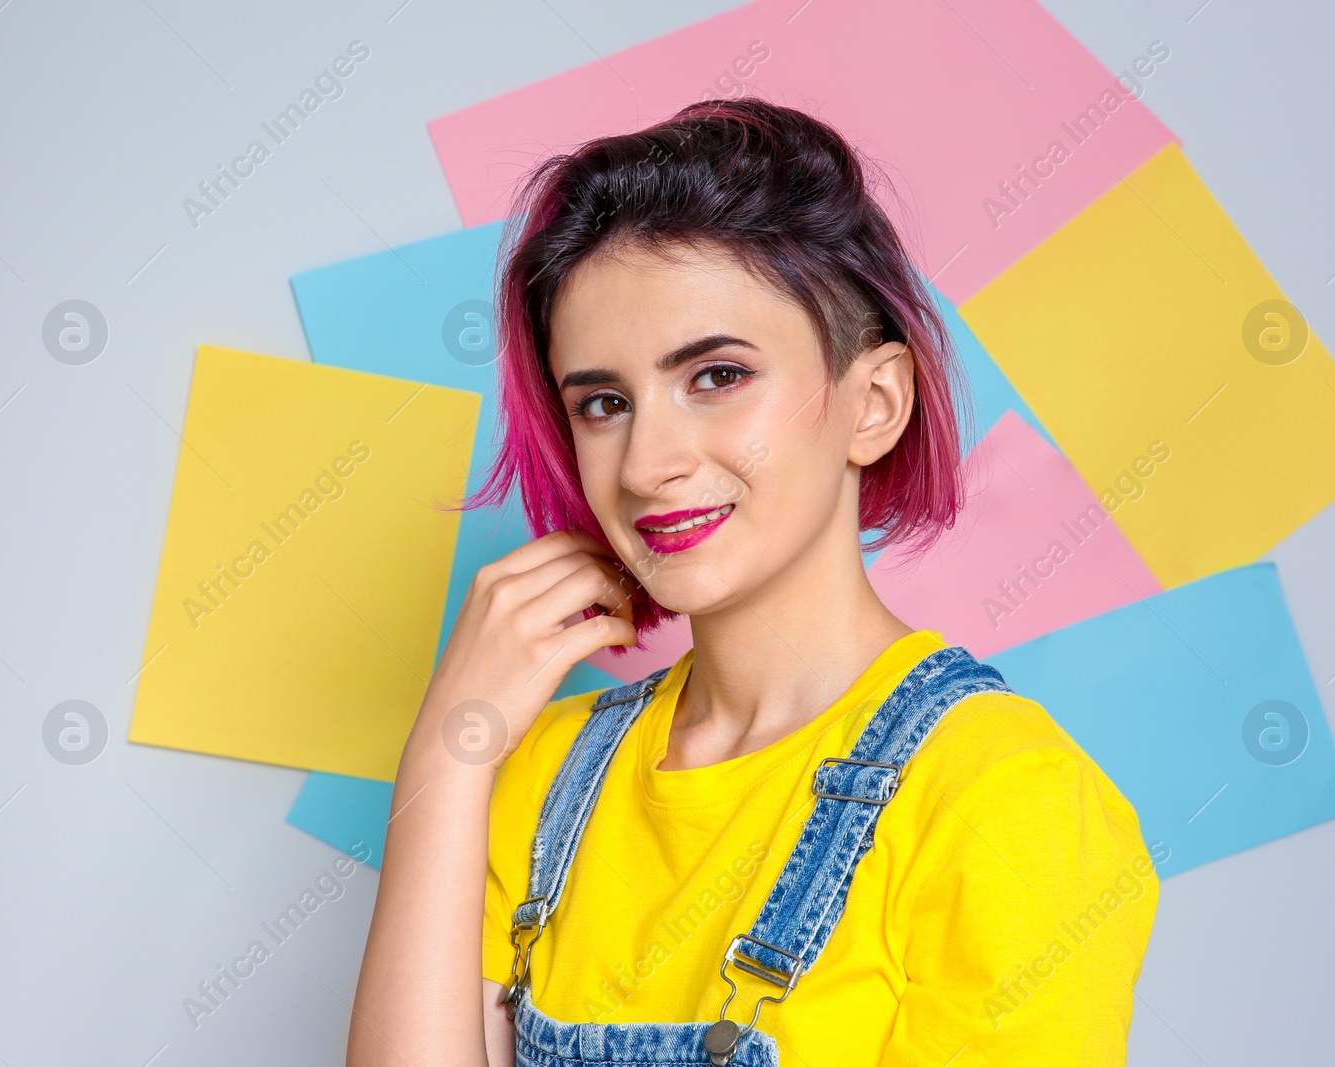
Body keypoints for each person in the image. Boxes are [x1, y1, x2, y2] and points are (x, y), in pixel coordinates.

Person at [347, 97, 1158, 1067]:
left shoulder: (1003, 797)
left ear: (874, 402)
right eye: (604, 403)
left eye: (717, 376)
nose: (647, 463)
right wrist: (449, 743)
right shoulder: (544, 772)